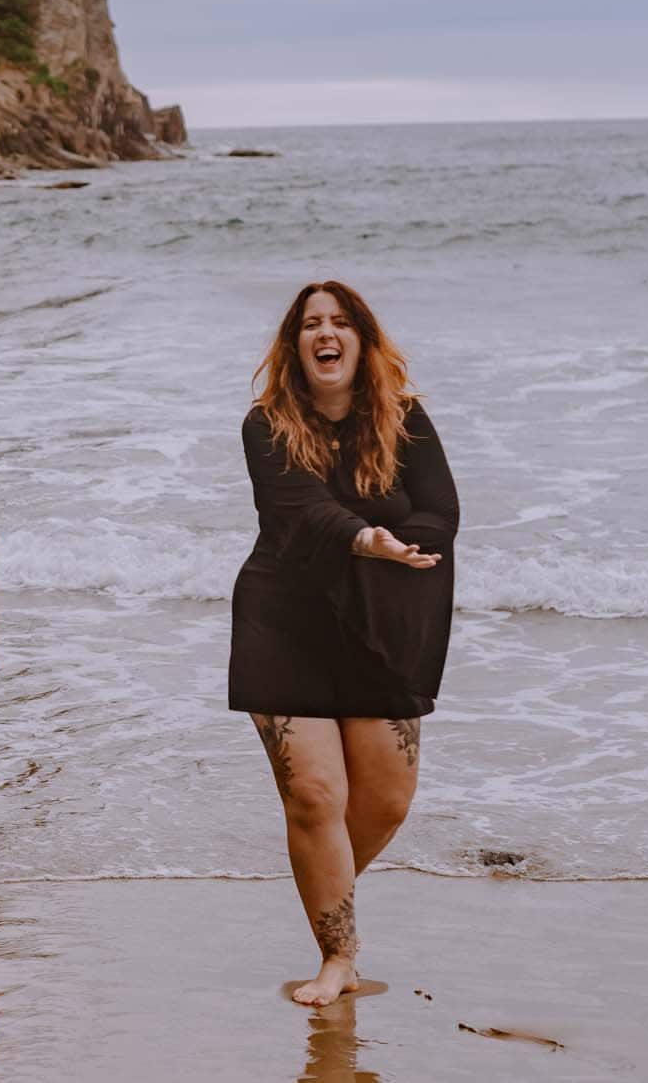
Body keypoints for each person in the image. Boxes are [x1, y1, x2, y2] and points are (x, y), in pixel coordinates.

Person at [231, 281, 459, 1006]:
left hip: (376, 627)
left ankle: (318, 876)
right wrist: (368, 538)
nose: (324, 334)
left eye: (338, 323)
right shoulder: (265, 424)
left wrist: (405, 548)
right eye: (309, 325)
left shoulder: (407, 420)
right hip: (285, 619)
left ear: (362, 338)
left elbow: (441, 512)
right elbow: (301, 508)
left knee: (387, 799)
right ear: (295, 345)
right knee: (314, 794)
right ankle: (338, 956)